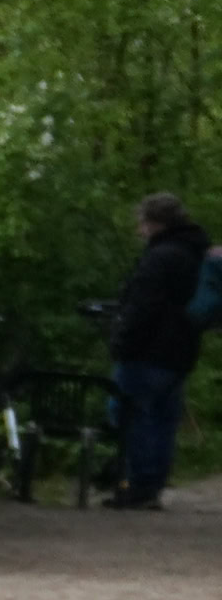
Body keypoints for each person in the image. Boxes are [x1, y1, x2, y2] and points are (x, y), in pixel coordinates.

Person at [106, 190, 205, 509]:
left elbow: (143, 307)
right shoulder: (196, 253)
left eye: (143, 223)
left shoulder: (160, 257)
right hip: (182, 351)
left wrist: (121, 341)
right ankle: (152, 486)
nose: (140, 230)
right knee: (163, 418)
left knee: (130, 413)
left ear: (156, 223)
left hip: (148, 350)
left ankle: (139, 484)